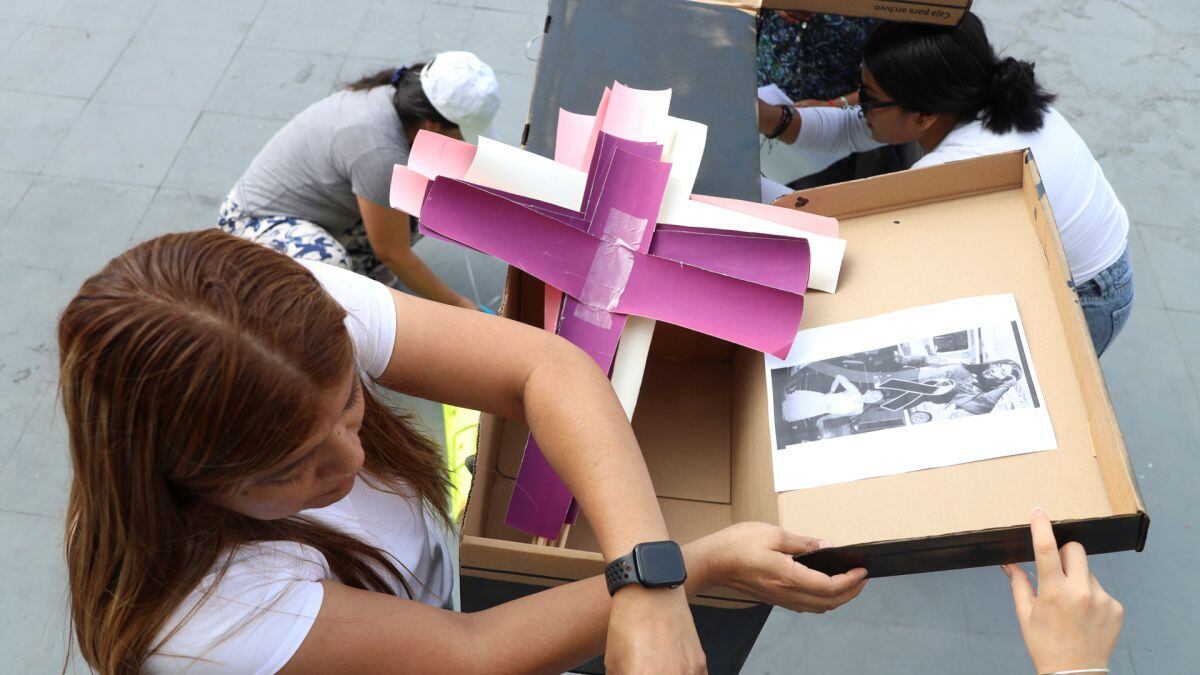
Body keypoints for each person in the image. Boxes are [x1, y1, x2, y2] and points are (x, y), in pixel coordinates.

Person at [60, 231, 872, 674]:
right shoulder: (208, 618)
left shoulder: (281, 320)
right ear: (179, 476)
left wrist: (651, 576)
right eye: (289, 470)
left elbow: (542, 364)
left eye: (352, 404)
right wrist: (690, 566)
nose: (347, 463)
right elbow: (469, 653)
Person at [759, 13, 1133, 356]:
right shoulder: (972, 92)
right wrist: (772, 118)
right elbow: (854, 127)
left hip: (1088, 293)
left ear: (923, 117)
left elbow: (844, 248)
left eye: (869, 96)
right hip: (1061, 254)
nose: (857, 103)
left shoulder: (957, 168)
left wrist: (751, 189)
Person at [219, 51, 498, 311]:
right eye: (462, 135)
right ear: (432, 125)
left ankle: (359, 269)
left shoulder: (398, 98)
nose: (464, 144)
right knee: (329, 263)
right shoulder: (378, 151)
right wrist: (464, 308)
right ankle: (297, 301)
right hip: (254, 225)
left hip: (320, 210)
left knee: (421, 201)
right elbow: (393, 253)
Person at [756, 10, 918, 190]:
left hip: (829, 132)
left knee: (808, 204)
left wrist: (834, 105)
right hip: (764, 96)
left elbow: (848, 130)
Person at [781, 373, 884, 424]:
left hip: (818, 410)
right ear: (869, 391)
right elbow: (839, 377)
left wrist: (823, 418)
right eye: (874, 394)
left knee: (785, 416)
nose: (873, 398)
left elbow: (837, 415)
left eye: (876, 399)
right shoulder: (854, 391)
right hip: (817, 399)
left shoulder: (859, 410)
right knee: (784, 402)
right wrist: (831, 392)